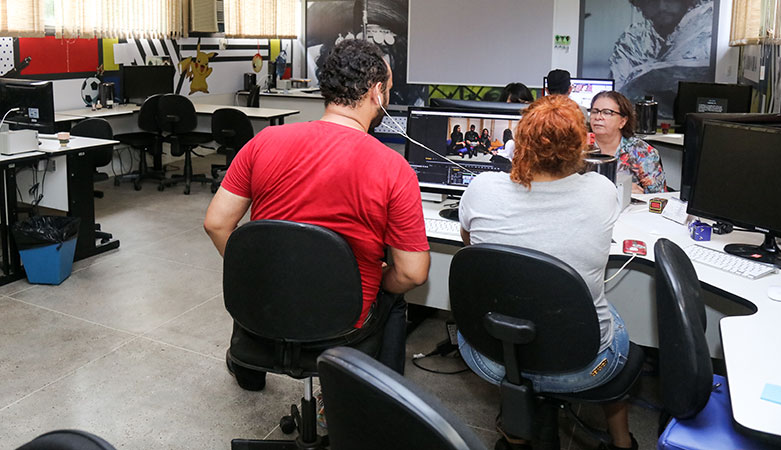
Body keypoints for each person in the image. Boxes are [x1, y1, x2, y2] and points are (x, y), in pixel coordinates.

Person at [204, 39, 431, 389]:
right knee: (396, 295)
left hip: (264, 306)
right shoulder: (393, 167)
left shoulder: (264, 141)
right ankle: (380, 396)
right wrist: (382, 279)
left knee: (269, 257)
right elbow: (414, 273)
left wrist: (255, 271)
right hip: (344, 323)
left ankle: (249, 367)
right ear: (377, 93)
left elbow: (216, 223)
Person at [457, 94, 637, 450]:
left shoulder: (481, 189)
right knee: (608, 311)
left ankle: (515, 432)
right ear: (580, 146)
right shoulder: (602, 191)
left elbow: (469, 243)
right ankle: (621, 441)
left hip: (492, 358)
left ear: (519, 140)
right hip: (582, 367)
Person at [609, 0, 713, 118]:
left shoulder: (704, 29)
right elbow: (619, 92)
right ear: (640, 6)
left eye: (669, 0)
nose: (661, 7)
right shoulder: (632, 39)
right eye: (651, 2)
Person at [589, 91, 667, 194]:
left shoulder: (641, 151)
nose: (598, 117)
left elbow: (658, 197)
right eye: (595, 111)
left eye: (607, 112)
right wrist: (619, 188)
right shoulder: (575, 146)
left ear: (622, 121)